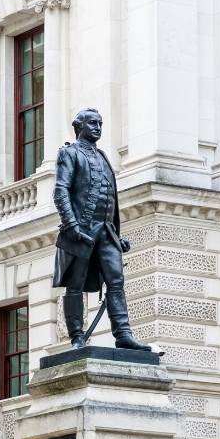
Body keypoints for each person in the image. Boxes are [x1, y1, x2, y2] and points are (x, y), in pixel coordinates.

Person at [52, 108, 150, 351]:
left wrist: (117, 235)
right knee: (75, 285)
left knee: (116, 280)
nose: (98, 127)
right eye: (92, 123)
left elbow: (110, 199)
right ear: (80, 127)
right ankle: (76, 336)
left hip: (106, 232)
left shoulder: (104, 156)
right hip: (80, 232)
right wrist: (72, 226)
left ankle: (123, 334)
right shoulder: (69, 153)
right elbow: (60, 191)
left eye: (100, 123)